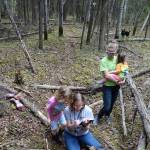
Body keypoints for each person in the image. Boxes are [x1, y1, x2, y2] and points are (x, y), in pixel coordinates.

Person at [95, 42, 121, 125]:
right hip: (107, 87)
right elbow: (106, 75)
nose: (110, 54)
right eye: (109, 52)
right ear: (106, 51)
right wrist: (116, 80)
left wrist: (121, 79)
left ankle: (107, 115)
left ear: (116, 52)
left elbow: (122, 71)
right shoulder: (103, 61)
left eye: (113, 53)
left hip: (116, 87)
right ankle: (98, 116)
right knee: (107, 106)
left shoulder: (117, 59)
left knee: (112, 104)